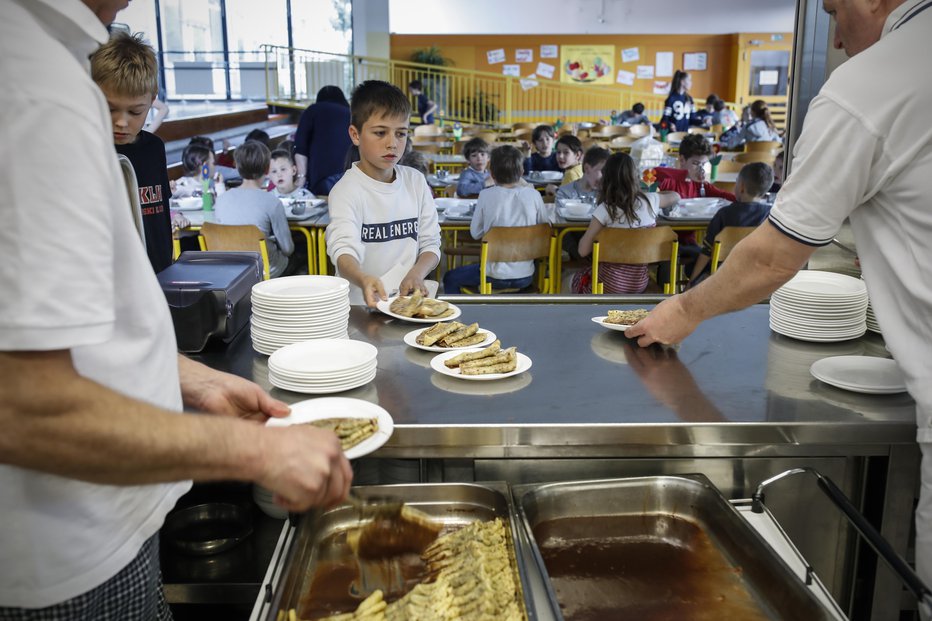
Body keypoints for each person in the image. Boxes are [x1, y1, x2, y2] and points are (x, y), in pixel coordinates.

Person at [0, 0, 352, 617]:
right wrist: (255, 452)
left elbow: (66, 332)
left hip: (104, 526)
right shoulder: (28, 82)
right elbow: (19, 404)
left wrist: (188, 378)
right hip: (69, 558)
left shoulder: (47, 62)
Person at [627, 0, 932, 591]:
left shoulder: (872, 83)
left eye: (836, 11)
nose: (837, 38)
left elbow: (772, 258)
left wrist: (684, 308)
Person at [326, 80, 442, 306]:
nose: (392, 143)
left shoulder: (416, 182)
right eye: (380, 133)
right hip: (360, 307)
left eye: (401, 134)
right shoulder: (346, 191)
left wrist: (417, 273)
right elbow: (343, 250)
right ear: (355, 134)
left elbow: (431, 243)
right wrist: (363, 279)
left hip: (408, 304)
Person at [91, 31, 174, 273]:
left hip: (159, 272)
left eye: (136, 112)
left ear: (152, 101)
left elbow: (162, 216)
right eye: (110, 109)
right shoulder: (93, 150)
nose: (121, 122)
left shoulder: (154, 149)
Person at [442, 146, 554, 294]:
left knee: (450, 277)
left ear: (491, 174)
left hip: (492, 275)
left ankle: (462, 315)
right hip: (526, 275)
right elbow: (545, 229)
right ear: (521, 172)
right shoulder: (534, 195)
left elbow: (475, 233)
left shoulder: (485, 195)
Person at [572, 152, 679, 294]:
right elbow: (676, 196)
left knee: (572, 278)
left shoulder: (605, 210)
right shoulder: (651, 200)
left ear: (606, 178)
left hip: (607, 285)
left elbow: (582, 251)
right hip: (639, 284)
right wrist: (657, 195)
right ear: (635, 177)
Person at [216, 141, 295, 278]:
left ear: (237, 167)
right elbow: (288, 249)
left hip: (230, 271)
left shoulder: (221, 200)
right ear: (267, 169)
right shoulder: (271, 201)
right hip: (265, 272)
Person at [688, 162, 774, 286]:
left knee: (690, 265)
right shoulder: (769, 215)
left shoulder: (724, 214)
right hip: (756, 274)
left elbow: (706, 252)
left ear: (742, 187)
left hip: (720, 276)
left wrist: (691, 283)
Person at [295, 85, 352, 195]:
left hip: (323, 180)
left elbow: (300, 148)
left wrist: (301, 177)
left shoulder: (312, 110)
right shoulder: (351, 114)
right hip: (351, 178)